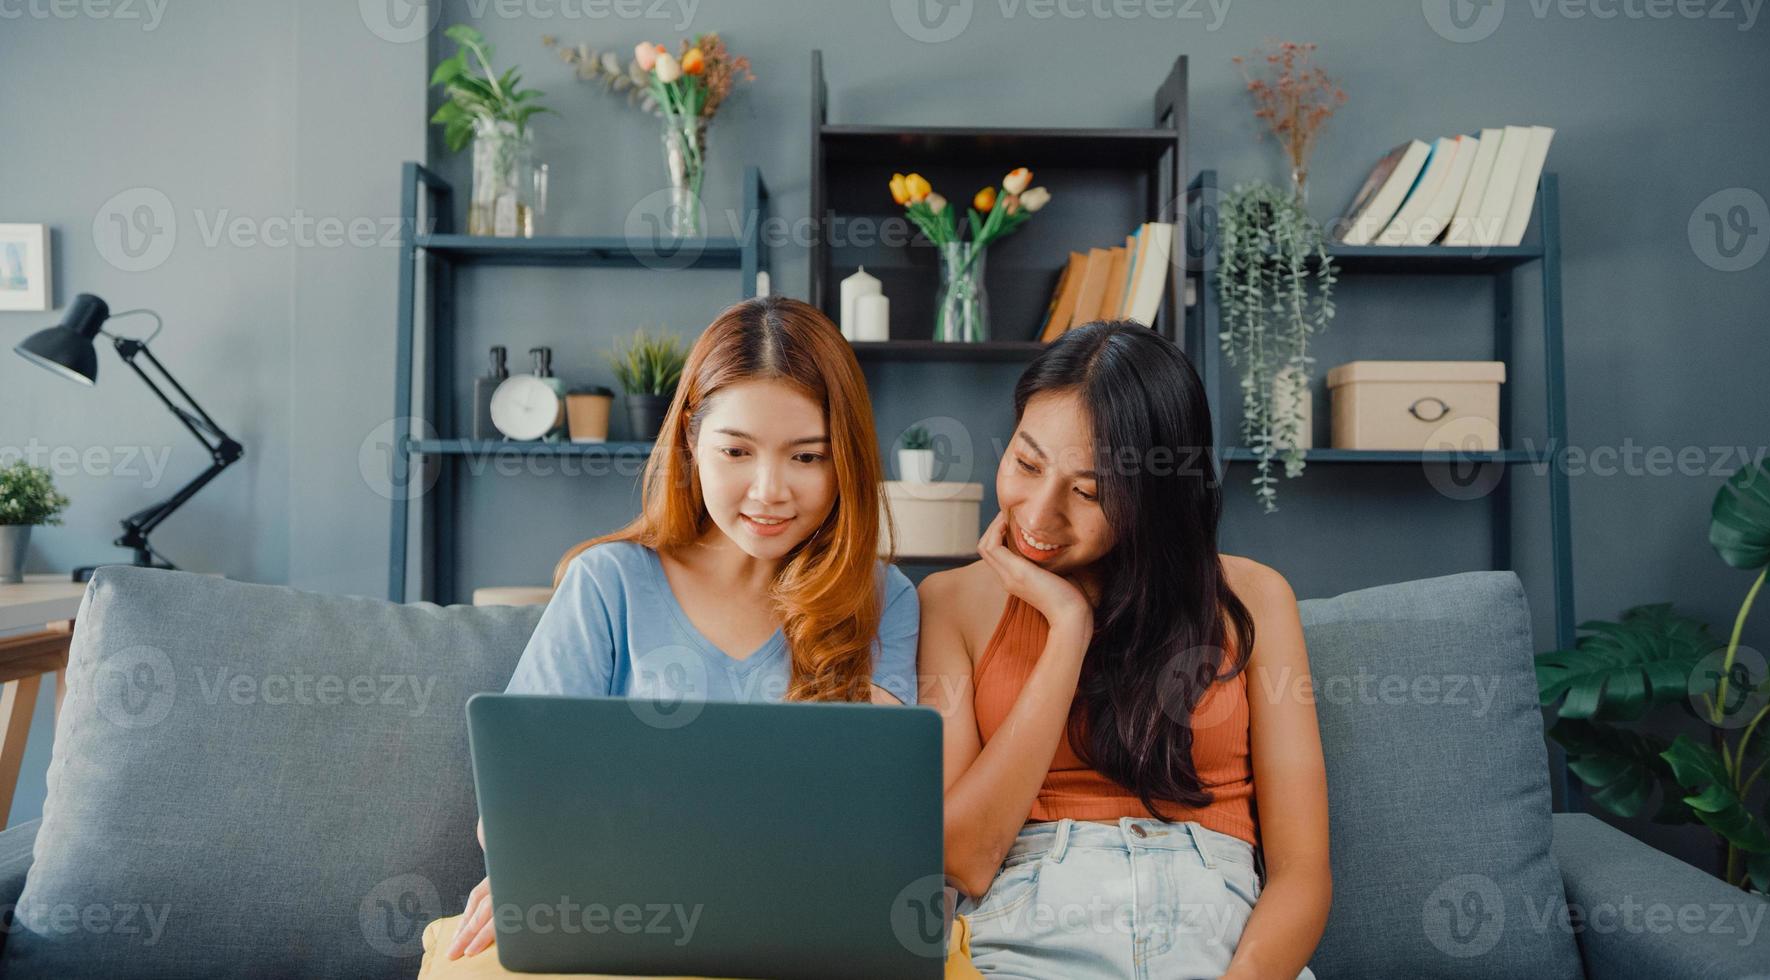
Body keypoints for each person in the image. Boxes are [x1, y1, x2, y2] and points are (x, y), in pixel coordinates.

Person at [417, 296, 981, 978]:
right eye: (736, 450)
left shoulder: (882, 596)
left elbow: (876, 825)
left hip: (808, 929)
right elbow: (512, 812)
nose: (769, 490)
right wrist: (535, 876)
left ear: (845, 462)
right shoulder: (609, 582)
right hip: (623, 917)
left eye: (806, 456)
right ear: (689, 436)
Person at [918, 320, 1332, 978]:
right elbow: (963, 855)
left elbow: (1302, 872)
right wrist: (1066, 628)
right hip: (1031, 933)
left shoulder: (1254, 598)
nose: (1038, 514)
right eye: (1025, 463)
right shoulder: (950, 604)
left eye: (1088, 491)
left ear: (1155, 496)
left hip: (1222, 935)